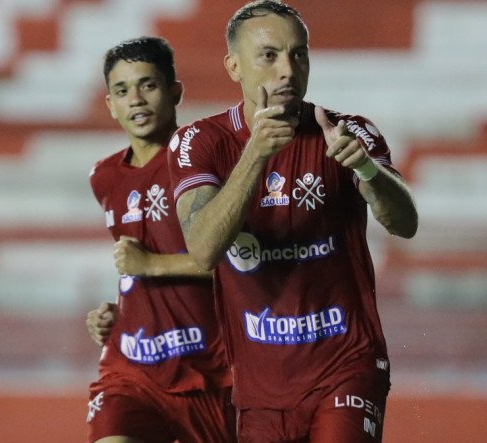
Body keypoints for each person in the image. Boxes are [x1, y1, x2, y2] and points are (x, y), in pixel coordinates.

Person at [167, 1, 418, 441]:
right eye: (269, 56)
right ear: (234, 67)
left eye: (298, 54)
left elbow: (405, 223)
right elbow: (203, 249)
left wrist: (368, 172)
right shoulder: (199, 142)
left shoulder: (347, 133)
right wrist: (257, 153)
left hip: (346, 366)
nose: (287, 69)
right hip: (260, 386)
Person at [84, 36, 234, 443]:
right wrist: (125, 309)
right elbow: (136, 263)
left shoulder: (205, 164)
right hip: (132, 368)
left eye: (148, 85)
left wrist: (149, 267)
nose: (135, 99)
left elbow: (242, 261)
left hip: (210, 371)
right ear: (111, 105)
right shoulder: (104, 177)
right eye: (122, 91)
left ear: (175, 92)